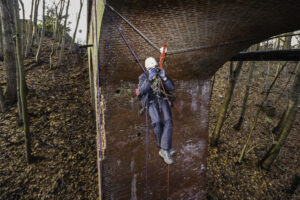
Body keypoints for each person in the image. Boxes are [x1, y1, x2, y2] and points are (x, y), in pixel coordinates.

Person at [138, 56, 175, 164]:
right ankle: (164, 147)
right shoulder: (142, 77)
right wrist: (150, 79)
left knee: (168, 120)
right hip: (150, 101)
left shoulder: (160, 74)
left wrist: (164, 78)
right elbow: (140, 91)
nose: (153, 69)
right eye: (151, 68)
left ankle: (164, 149)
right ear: (146, 68)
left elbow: (171, 87)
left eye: (154, 67)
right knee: (157, 122)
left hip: (161, 98)